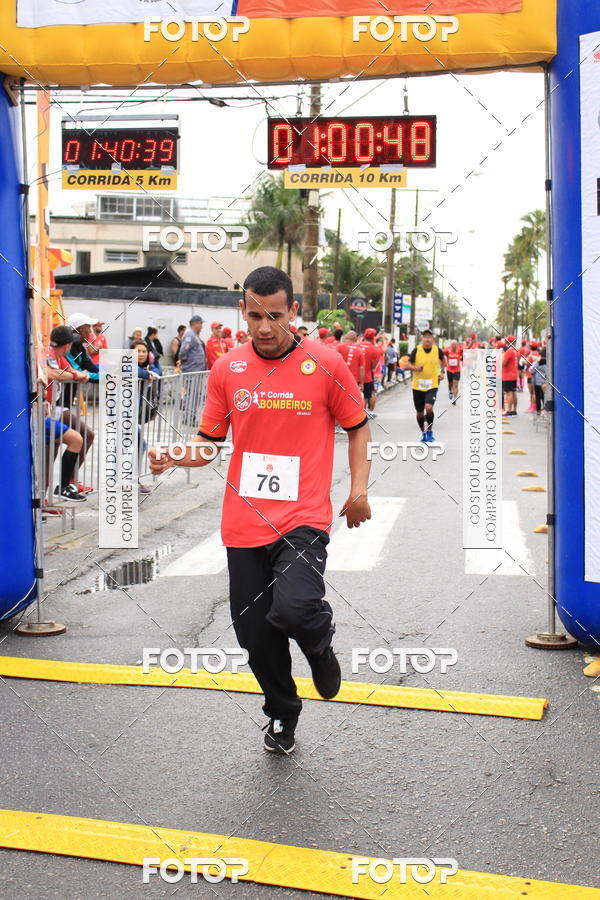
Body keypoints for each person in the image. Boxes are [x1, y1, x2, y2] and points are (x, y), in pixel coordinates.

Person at [149, 266, 372, 755]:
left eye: (275, 315)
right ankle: (282, 713)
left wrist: (358, 490)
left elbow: (357, 426)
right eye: (255, 316)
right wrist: (175, 456)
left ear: (294, 312)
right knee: (254, 635)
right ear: (243, 314)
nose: (265, 327)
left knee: (294, 607)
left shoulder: (327, 362)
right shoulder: (229, 369)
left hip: (303, 517)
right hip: (244, 522)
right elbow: (209, 443)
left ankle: (318, 641)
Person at [45, 325, 91, 503]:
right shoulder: (47, 355)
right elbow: (52, 373)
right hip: (40, 414)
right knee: (74, 440)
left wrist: (78, 375)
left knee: (52, 454)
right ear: (67, 345)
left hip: (49, 411)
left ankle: (49, 498)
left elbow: (73, 372)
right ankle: (58, 490)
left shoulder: (60, 357)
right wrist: (75, 376)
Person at [406, 329, 445, 442]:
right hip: (417, 386)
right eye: (425, 336)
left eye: (429, 336)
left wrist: (442, 372)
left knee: (429, 407)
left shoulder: (438, 350)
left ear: (432, 339)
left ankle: (429, 432)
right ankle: (423, 432)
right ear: (422, 339)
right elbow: (408, 365)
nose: (427, 339)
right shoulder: (416, 350)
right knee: (419, 413)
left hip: (432, 384)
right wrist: (416, 368)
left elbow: (443, 361)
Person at [360, 327, 381, 417]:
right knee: (366, 396)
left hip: (353, 375)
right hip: (367, 376)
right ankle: (362, 415)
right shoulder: (374, 350)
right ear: (373, 337)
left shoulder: (357, 345)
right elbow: (373, 366)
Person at [502, 335, 519, 416]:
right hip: (514, 374)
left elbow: (504, 363)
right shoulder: (515, 350)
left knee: (509, 393)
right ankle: (514, 410)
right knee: (513, 392)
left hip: (508, 375)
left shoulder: (508, 351)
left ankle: (509, 411)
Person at [444, 339, 463, 405]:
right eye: (452, 344)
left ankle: (454, 399)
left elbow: (468, 348)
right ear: (450, 345)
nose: (454, 345)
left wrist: (472, 342)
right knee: (450, 383)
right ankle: (450, 391)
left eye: (455, 344)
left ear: (457, 345)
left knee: (455, 384)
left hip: (457, 370)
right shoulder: (447, 350)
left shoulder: (460, 350)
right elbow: (441, 354)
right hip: (449, 370)